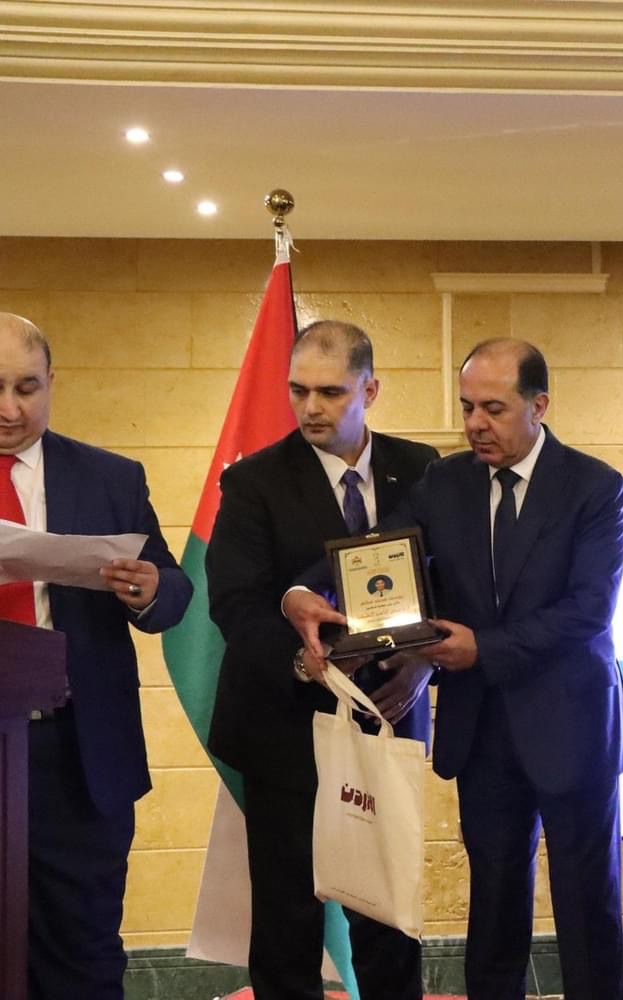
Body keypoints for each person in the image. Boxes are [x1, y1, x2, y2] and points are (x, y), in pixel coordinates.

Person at [285, 337, 623, 1000]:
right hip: (484, 733)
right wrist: (306, 590)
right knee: (494, 906)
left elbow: (589, 611)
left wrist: (484, 650)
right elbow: (375, 553)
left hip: (573, 728)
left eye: (493, 409)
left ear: (539, 406)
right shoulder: (444, 483)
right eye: (468, 406)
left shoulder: (593, 486)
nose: (475, 423)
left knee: (588, 908)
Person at [205, 320, 439, 1000]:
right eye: (298, 390)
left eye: (331, 393)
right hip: (285, 728)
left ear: (370, 390)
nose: (311, 407)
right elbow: (235, 603)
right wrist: (302, 661)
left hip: (386, 719)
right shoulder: (252, 481)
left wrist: (424, 662)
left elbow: (444, 579)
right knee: (287, 922)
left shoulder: (422, 468)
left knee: (387, 920)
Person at [0, 313, 192, 999]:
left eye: (26, 388)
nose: (9, 409)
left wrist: (148, 590)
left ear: (53, 383)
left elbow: (174, 589)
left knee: (81, 950)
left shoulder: (111, 477)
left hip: (76, 753)